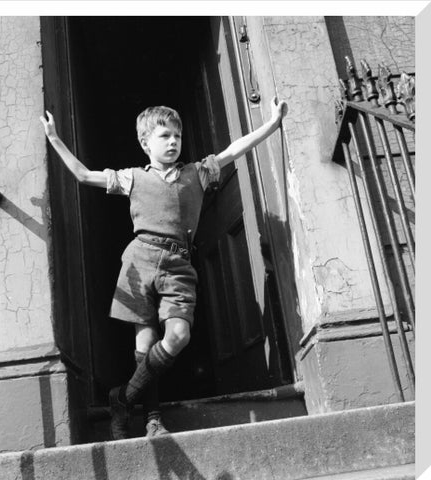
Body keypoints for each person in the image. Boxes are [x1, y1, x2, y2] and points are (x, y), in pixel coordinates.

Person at [40, 96, 287, 440]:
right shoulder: (131, 178)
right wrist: (53, 138)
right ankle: (153, 420)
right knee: (144, 345)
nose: (173, 142)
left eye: (177, 136)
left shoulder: (198, 173)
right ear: (145, 142)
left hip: (178, 265)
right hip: (138, 262)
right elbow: (83, 175)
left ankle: (122, 398)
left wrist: (272, 124)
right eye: (164, 136)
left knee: (178, 336)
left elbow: (236, 148)